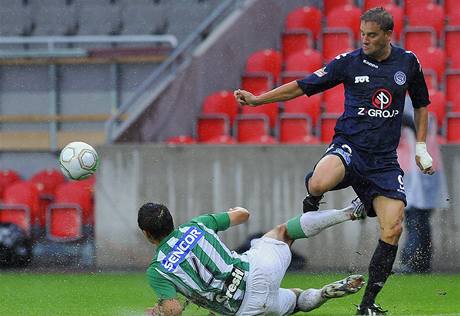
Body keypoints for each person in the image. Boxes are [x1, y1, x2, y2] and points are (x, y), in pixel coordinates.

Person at [234, 7, 434, 315]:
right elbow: (303, 86)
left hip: (383, 162)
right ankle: (313, 199)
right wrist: (259, 99)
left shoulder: (408, 63)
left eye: (371, 35)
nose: (364, 40)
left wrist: (420, 146)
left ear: (387, 35)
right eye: (362, 34)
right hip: (349, 147)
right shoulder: (349, 62)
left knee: (393, 228)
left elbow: (421, 104)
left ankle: (367, 305)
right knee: (318, 181)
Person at [138, 200, 366, 315]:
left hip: (246, 309)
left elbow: (174, 309)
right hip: (257, 270)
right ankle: (347, 213)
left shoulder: (157, 270)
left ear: (147, 233)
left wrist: (159, 309)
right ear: (171, 220)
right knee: (283, 233)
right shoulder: (196, 225)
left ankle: (323, 294)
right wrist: (234, 209)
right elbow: (243, 215)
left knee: (295, 301)